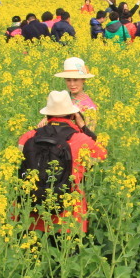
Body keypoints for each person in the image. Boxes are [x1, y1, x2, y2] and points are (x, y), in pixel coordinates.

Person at [17, 90, 106, 234]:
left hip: (31, 219)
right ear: (72, 115)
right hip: (68, 220)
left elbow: (19, 162)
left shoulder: (28, 137)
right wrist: (84, 128)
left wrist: (40, 130)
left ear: (46, 115)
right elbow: (101, 156)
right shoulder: (81, 140)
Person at [54, 57, 99, 130]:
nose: (72, 84)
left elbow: (90, 134)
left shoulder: (90, 108)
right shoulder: (62, 99)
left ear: (83, 80)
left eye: (75, 80)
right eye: (68, 80)